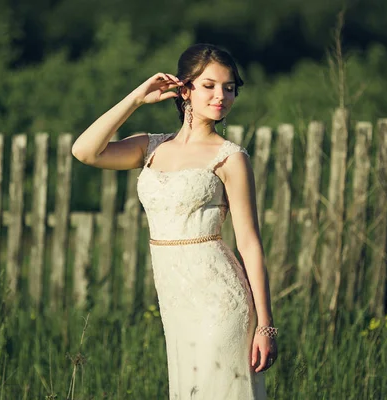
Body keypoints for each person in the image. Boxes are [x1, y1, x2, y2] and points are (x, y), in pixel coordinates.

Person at [71, 43, 278, 399]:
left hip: (221, 302)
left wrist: (265, 325)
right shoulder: (150, 147)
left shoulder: (231, 158)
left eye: (230, 88)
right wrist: (136, 98)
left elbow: (249, 243)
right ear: (185, 90)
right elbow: (85, 151)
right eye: (210, 86)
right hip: (176, 303)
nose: (221, 97)